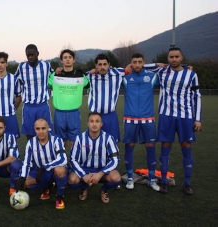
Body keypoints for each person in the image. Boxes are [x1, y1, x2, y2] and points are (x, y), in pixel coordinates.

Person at [153, 47, 202, 195]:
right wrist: (158, 64)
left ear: (181, 57)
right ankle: (163, 181)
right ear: (168, 59)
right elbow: (143, 66)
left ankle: (187, 183)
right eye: (171, 57)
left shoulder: (191, 74)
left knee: (186, 146)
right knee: (165, 146)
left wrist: (197, 119)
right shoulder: (162, 72)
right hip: (166, 115)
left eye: (176, 57)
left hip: (185, 116)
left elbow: (197, 96)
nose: (174, 59)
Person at [122, 53, 160, 191]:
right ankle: (130, 178)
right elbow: (112, 71)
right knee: (129, 147)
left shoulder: (152, 77)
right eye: (134, 62)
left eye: (139, 62)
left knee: (150, 147)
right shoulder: (125, 78)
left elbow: (170, 71)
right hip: (130, 119)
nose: (137, 65)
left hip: (148, 119)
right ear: (130, 63)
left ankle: (152, 179)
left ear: (143, 63)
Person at [68, 112, 121, 204]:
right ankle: (84, 187)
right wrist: (83, 175)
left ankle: (104, 190)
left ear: (101, 124)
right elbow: (73, 160)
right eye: (91, 121)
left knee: (116, 178)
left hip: (102, 170)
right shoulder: (79, 138)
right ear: (88, 123)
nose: (94, 124)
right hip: (85, 169)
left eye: (97, 121)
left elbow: (115, 160)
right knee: (72, 180)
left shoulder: (109, 138)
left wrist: (100, 173)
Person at [16, 118, 68, 209]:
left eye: (43, 128)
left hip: (53, 170)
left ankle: (60, 196)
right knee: (26, 183)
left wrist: (45, 167)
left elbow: (63, 159)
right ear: (34, 129)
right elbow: (26, 162)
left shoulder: (57, 140)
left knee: (60, 170)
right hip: (41, 172)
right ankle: (47, 186)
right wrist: (22, 177)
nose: (40, 131)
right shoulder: (31, 143)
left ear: (48, 128)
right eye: (38, 129)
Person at [48, 49, 89, 148]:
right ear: (61, 61)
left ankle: (73, 163)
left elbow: (89, 84)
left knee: (74, 143)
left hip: (74, 113)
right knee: (60, 143)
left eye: (70, 57)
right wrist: (55, 72)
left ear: (74, 60)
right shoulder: (55, 76)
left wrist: (88, 73)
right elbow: (48, 84)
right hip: (59, 113)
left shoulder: (80, 76)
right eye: (65, 58)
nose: (67, 60)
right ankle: (61, 163)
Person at [15, 44, 54, 140]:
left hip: (43, 105)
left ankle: (46, 154)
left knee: (46, 134)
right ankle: (32, 154)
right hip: (28, 107)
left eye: (32, 54)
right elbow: (13, 81)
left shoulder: (46, 65)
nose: (30, 57)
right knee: (30, 135)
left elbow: (56, 77)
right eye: (28, 55)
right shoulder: (21, 67)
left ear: (37, 54)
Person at [86, 54, 126, 142]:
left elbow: (134, 67)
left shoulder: (117, 73)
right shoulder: (90, 76)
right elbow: (74, 75)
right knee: (95, 143)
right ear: (96, 65)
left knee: (112, 143)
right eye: (100, 64)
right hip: (95, 116)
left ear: (109, 65)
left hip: (110, 116)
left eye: (105, 64)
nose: (102, 67)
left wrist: (156, 65)